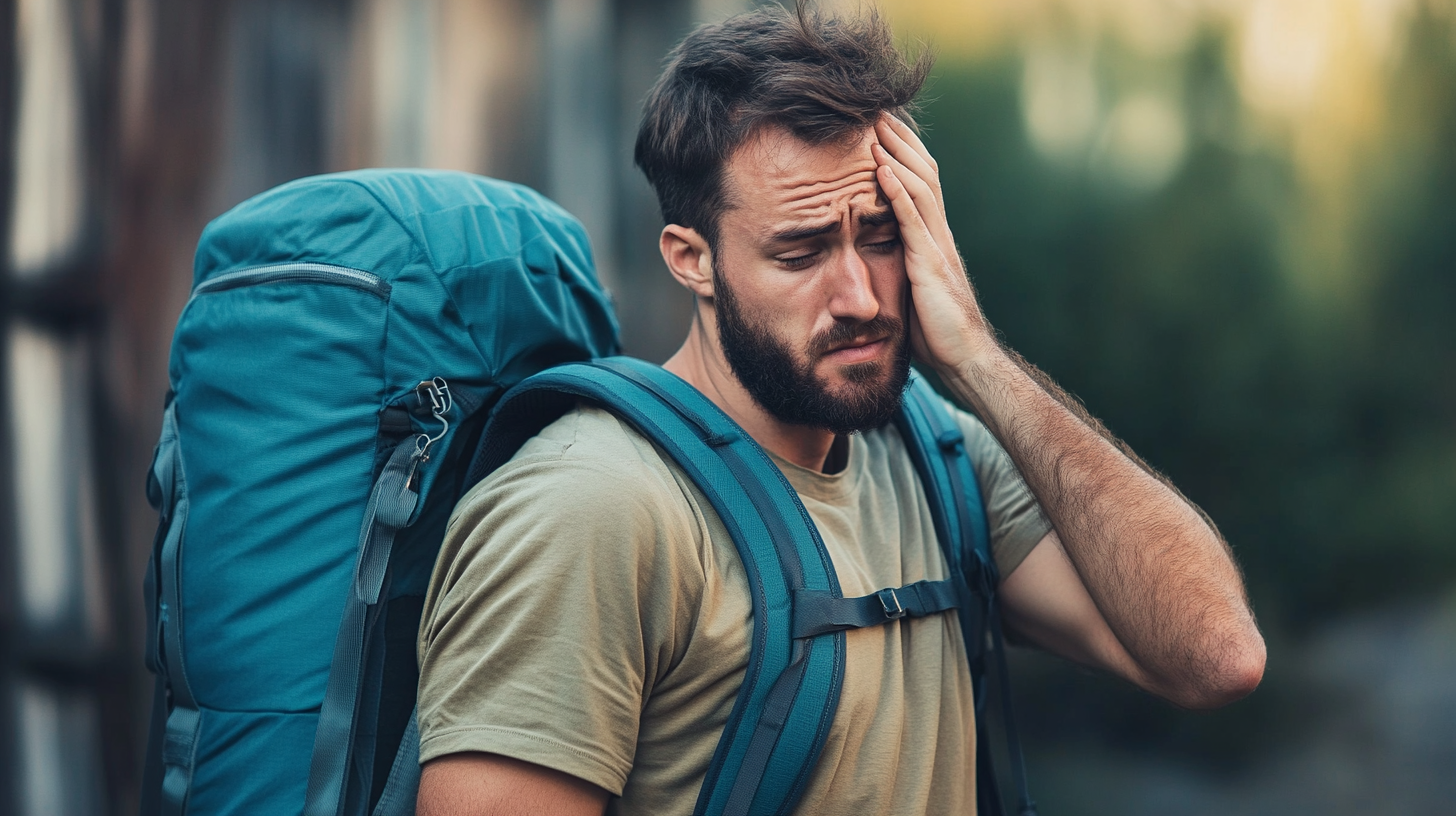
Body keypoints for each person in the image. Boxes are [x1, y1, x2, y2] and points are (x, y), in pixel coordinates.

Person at [413, 6, 1266, 815]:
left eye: (883, 235)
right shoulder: (591, 510)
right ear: (691, 260)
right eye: (800, 252)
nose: (858, 295)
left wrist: (976, 356)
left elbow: (1216, 655)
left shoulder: (938, 459)